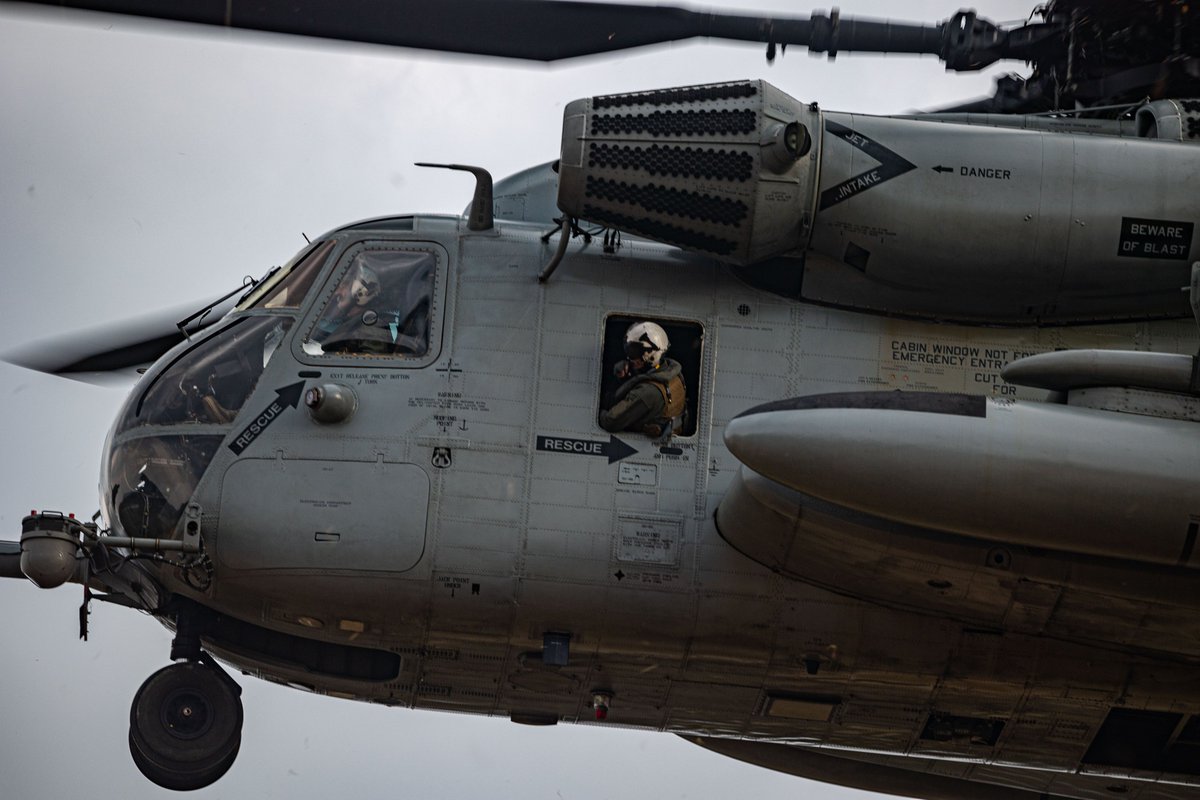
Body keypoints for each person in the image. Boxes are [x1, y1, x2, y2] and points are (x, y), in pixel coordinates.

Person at [600, 321, 686, 439]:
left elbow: (610, 421)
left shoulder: (646, 393)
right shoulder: (674, 374)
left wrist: (600, 410)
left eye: (634, 352)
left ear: (652, 355)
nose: (630, 358)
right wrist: (624, 378)